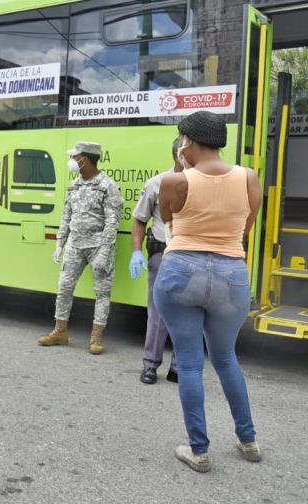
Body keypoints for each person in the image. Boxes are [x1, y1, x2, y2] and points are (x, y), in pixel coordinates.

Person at [155, 111, 262, 473]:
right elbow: (245, 227)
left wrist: (181, 169)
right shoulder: (249, 177)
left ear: (187, 141)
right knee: (226, 358)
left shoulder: (174, 180)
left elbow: (169, 220)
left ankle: (198, 451)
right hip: (231, 273)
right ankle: (248, 440)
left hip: (182, 269)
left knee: (188, 362)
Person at [39, 142, 122, 354]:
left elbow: (113, 222)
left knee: (102, 292)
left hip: (98, 246)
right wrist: (60, 243)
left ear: (85, 159)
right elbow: (66, 216)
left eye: (76, 156)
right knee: (64, 288)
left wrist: (105, 251)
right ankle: (60, 331)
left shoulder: (107, 185)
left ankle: (96, 338)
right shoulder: (74, 185)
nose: (73, 160)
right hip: (75, 245)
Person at [130, 139, 182, 385]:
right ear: (179, 155)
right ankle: (150, 365)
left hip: (191, 256)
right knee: (158, 313)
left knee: (187, 314)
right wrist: (137, 251)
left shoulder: (203, 184)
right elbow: (140, 219)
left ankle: (178, 368)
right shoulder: (157, 183)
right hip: (163, 253)